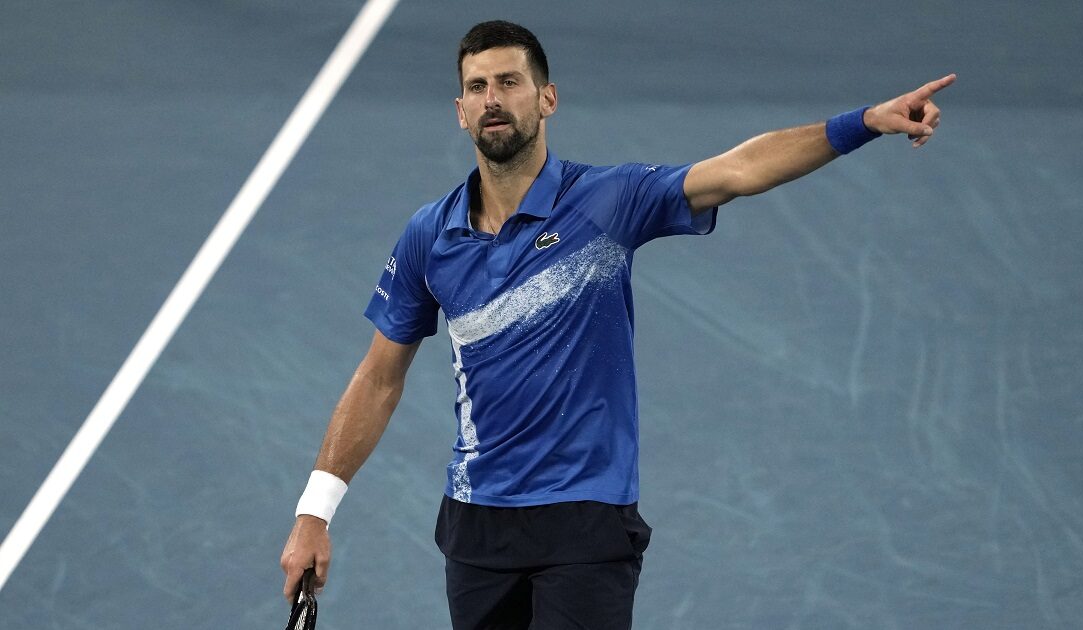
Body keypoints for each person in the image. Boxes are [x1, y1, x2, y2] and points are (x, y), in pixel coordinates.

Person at [280, 19, 954, 630]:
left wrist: (864, 121)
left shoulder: (608, 201)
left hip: (586, 519)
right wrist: (315, 511)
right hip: (477, 525)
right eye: (477, 86)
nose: (493, 98)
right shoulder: (431, 235)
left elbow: (741, 170)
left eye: (510, 82)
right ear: (460, 111)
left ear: (546, 99)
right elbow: (377, 377)